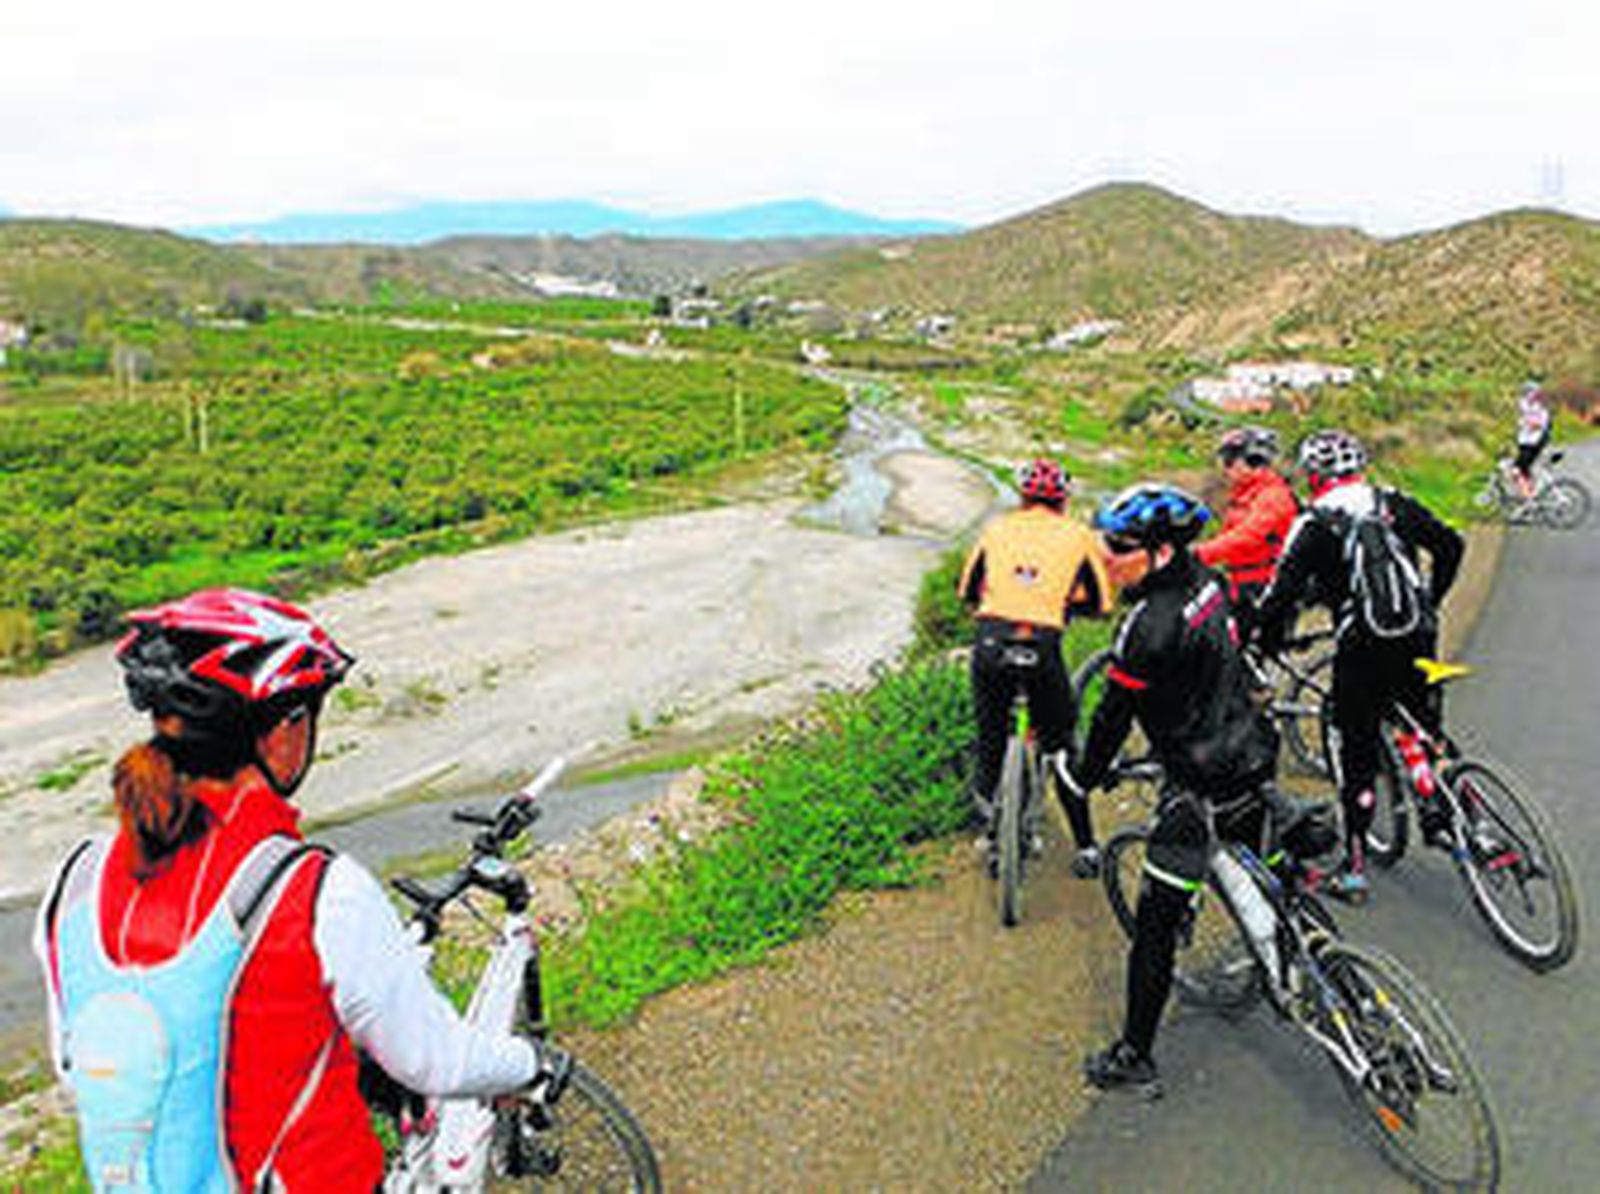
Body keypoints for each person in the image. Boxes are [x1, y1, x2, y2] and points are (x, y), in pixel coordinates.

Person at [33, 588, 570, 1191]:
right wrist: (534, 1065)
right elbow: (436, 1059)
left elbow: (81, 1063)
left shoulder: (73, 881)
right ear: (286, 731)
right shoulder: (316, 892)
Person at [1058, 484, 1312, 1097]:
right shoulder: (1210, 582)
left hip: (1199, 788)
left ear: (1160, 551)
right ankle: (1302, 954)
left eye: (1119, 547)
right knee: (1266, 867)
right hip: (1253, 755)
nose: (1107, 556)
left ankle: (1133, 1056)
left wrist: (1082, 778)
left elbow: (1112, 719)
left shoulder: (1146, 627)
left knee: (1154, 927)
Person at [1253, 430, 1464, 901]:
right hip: (1418, 633)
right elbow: (1451, 545)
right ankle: (1449, 806)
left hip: (1363, 645)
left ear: (1313, 477)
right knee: (1425, 724)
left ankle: (1353, 868)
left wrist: (1264, 641)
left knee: (1358, 754)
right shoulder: (1394, 502)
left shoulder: (1314, 521)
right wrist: (1431, 601)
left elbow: (1278, 597)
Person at [957, 458, 1113, 877]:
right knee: (1061, 746)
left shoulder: (996, 528)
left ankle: (990, 833)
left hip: (990, 641)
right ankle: (1086, 847)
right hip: (1043, 645)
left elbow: (966, 590)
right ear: (1063, 501)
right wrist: (1065, 604)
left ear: (1022, 497)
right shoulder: (1080, 535)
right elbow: (1103, 603)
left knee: (990, 737)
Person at [1193, 426, 1299, 632]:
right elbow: (1228, 536)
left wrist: (1199, 554)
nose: (1224, 468)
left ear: (1252, 461)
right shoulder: (1246, 495)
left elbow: (1248, 536)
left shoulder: (1273, 496)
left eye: (1230, 461)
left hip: (1264, 586)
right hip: (1241, 583)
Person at [1511, 380, 1553, 501]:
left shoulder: (1539, 407)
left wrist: (1526, 423)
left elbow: (1539, 424)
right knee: (1524, 470)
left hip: (1534, 442)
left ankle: (1529, 498)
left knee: (1516, 471)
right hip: (1527, 442)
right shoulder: (1527, 404)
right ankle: (1530, 493)